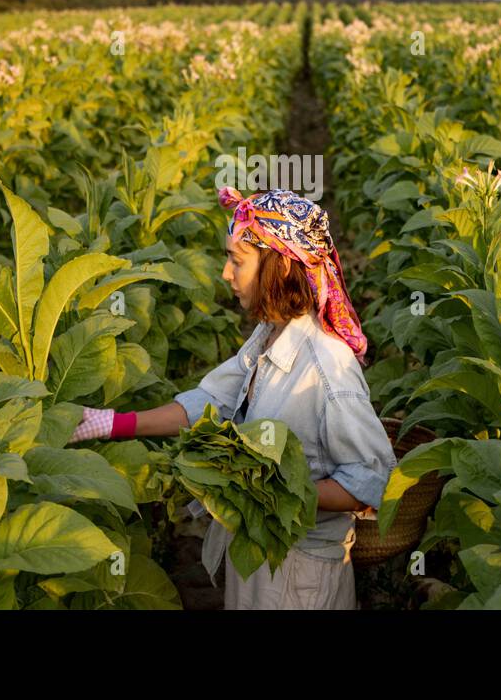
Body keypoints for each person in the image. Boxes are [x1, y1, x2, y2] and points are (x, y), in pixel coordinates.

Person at [68, 186, 397, 609]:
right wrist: (113, 423)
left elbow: (368, 480)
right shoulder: (270, 334)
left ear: (278, 269)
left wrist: (270, 494)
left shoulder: (326, 369)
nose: (226, 273)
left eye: (236, 260)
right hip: (262, 556)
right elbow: (212, 401)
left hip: (301, 577)